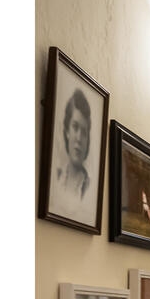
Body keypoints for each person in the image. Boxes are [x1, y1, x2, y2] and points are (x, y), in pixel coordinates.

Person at [53, 88, 94, 222]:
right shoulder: (56, 177)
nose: (79, 138)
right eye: (75, 127)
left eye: (84, 132)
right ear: (67, 131)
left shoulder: (90, 187)